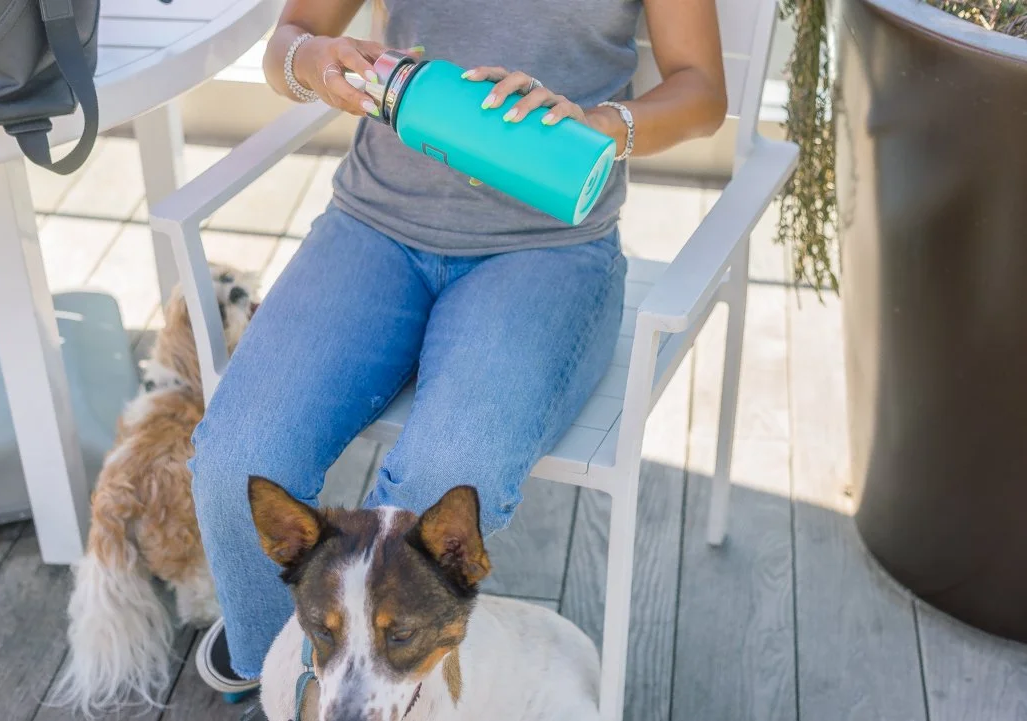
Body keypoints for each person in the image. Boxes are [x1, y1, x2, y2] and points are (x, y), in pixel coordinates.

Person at [188, 0, 727, 707]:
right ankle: (281, 682)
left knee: (446, 481)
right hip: (373, 226)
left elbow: (701, 90)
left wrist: (602, 126)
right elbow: (288, 40)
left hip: (546, 252)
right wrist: (310, 63)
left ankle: (371, 689)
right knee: (237, 464)